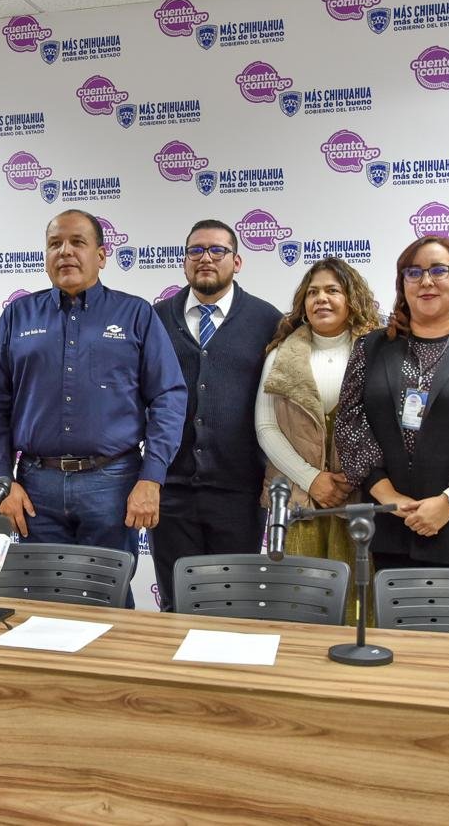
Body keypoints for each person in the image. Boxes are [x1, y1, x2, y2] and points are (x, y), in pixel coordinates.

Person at [0, 209, 186, 607]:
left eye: (77, 243)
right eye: (55, 244)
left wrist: (152, 478)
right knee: (43, 602)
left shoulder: (135, 314)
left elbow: (168, 398)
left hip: (113, 483)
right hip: (36, 486)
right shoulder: (18, 316)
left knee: (107, 600)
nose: (65, 252)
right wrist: (2, 480)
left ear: (101, 255)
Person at [336, 236, 449, 574]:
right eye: (414, 272)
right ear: (402, 283)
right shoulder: (371, 348)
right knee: (391, 613)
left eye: (438, 270)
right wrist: (387, 495)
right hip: (391, 526)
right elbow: (349, 424)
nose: (425, 281)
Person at [151, 220, 283, 612]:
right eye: (196, 250)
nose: (205, 258)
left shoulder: (267, 320)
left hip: (239, 493)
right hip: (171, 491)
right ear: (184, 261)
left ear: (236, 262)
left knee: (234, 606)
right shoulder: (156, 319)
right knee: (176, 604)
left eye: (217, 250)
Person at [256, 258, 380, 623]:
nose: (321, 299)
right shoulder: (280, 355)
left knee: (358, 606)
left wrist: (350, 479)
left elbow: (387, 428)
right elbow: (266, 427)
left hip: (359, 499)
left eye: (332, 290)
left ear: (352, 299)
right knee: (300, 606)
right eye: (313, 292)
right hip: (299, 502)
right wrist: (312, 480)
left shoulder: (377, 351)